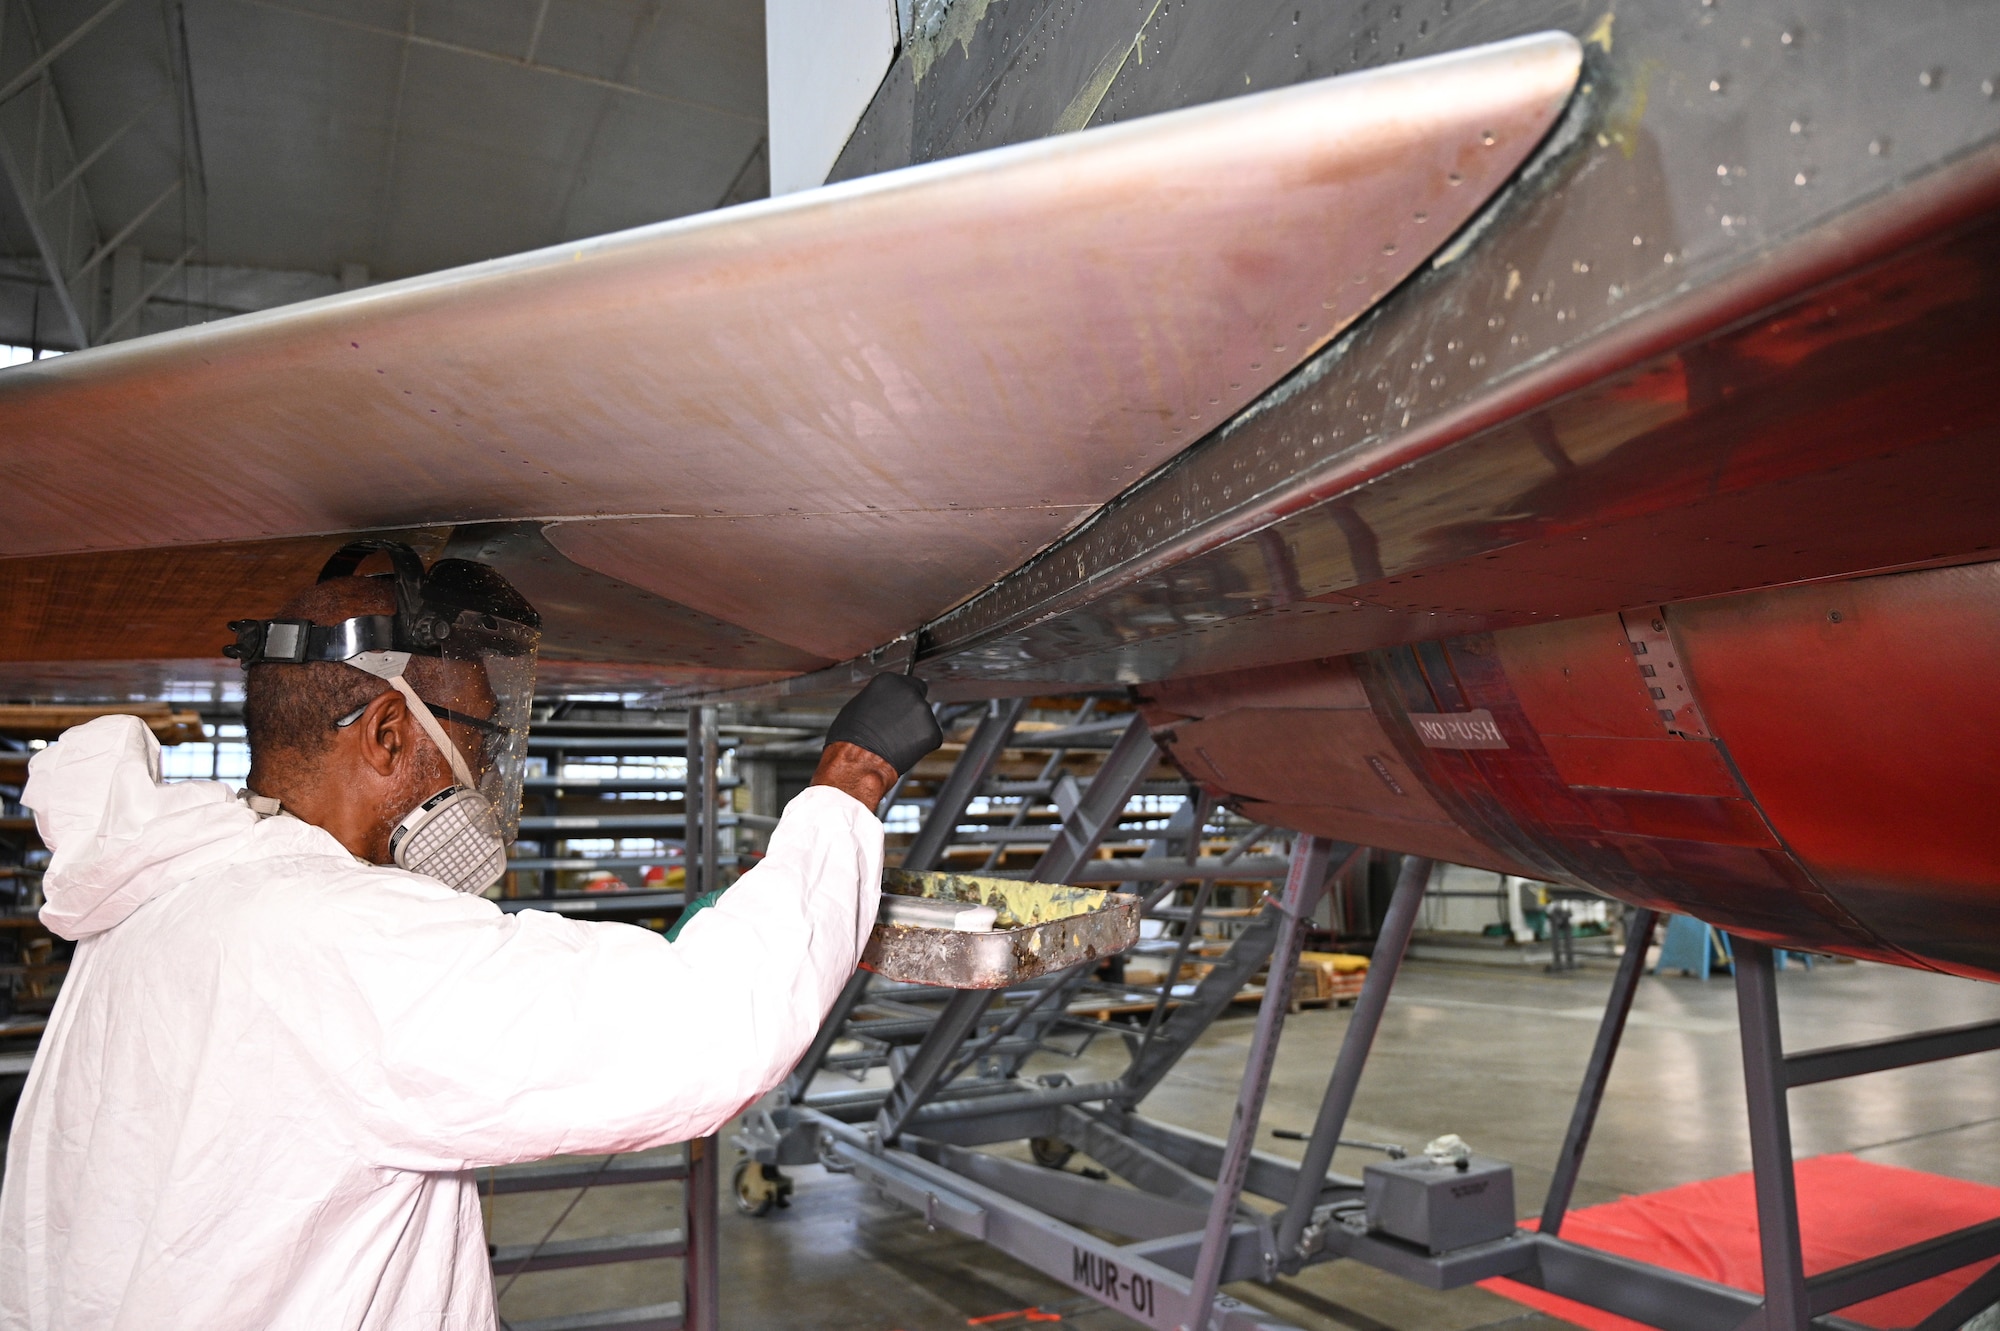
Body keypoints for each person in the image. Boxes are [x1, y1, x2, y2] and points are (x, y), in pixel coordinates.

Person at [0, 543, 942, 1329]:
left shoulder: (166, 887)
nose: (483, 778)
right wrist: (848, 783)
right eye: (478, 745)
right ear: (383, 735)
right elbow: (706, 1031)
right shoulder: (337, 940)